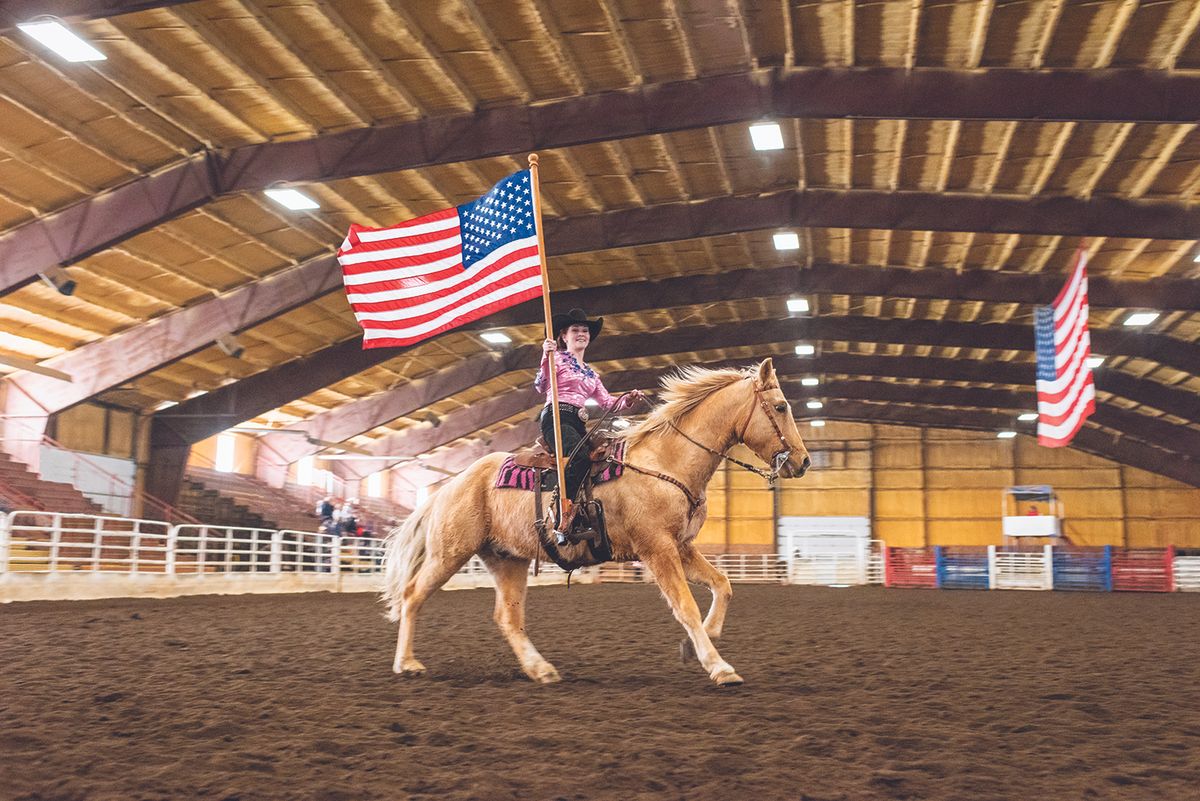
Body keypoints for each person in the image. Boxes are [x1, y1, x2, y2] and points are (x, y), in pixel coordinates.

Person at [534, 308, 644, 542]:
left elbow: (608, 403)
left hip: (577, 421)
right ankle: (562, 518)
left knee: (602, 458)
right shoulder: (555, 358)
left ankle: (587, 510)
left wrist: (628, 399)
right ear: (563, 336)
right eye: (575, 330)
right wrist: (545, 355)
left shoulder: (591, 374)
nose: (581, 333)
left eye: (585, 330)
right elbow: (541, 385)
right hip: (556, 417)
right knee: (581, 457)